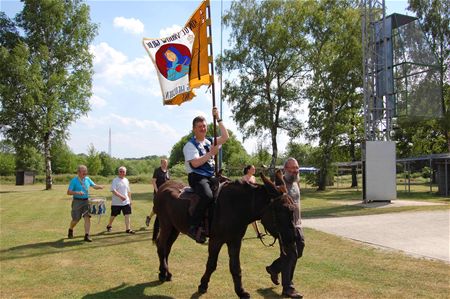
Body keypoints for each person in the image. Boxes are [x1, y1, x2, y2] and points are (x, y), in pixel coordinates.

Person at [183, 107, 229, 242]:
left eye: (204, 126)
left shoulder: (209, 141)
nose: (203, 128)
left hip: (210, 176)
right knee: (208, 196)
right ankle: (193, 226)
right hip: (197, 177)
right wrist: (210, 154)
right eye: (199, 127)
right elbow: (195, 164)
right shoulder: (190, 145)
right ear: (194, 129)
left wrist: (218, 118)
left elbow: (226, 136)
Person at [265, 158, 305, 298]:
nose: (295, 170)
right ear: (285, 169)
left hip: (297, 223)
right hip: (285, 226)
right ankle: (288, 287)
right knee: (290, 254)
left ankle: (274, 268)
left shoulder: (295, 182)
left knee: (298, 251)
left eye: (297, 167)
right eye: (292, 168)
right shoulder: (280, 183)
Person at [67, 165, 103, 242]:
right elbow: (68, 192)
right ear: (78, 172)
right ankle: (71, 229)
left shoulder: (87, 179)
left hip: (87, 201)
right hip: (77, 201)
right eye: (83, 171)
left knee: (87, 217)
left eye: (85, 171)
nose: (85, 173)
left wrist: (99, 187)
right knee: (76, 219)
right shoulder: (74, 180)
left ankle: (87, 235)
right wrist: (77, 192)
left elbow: (94, 186)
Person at [106, 166, 135, 234]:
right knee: (113, 215)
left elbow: (128, 191)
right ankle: (109, 225)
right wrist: (121, 196)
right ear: (118, 172)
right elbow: (113, 191)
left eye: (123, 171)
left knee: (127, 215)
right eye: (120, 171)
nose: (122, 173)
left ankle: (128, 229)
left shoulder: (126, 180)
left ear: (125, 173)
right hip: (116, 203)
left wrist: (130, 200)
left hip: (126, 202)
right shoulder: (115, 180)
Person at [145, 159, 170, 227]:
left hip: (166, 193)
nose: (165, 164)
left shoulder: (168, 171)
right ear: (161, 163)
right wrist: (157, 191)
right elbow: (153, 181)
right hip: (158, 192)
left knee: (165, 208)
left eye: (166, 163)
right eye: (164, 163)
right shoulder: (157, 170)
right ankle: (149, 217)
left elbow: (168, 182)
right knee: (157, 208)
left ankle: (164, 223)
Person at [242, 165, 262, 238]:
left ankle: (258, 233)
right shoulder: (244, 178)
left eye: (254, 169)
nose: (254, 170)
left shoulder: (253, 178)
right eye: (253, 169)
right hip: (245, 200)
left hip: (252, 200)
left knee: (253, 217)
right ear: (248, 170)